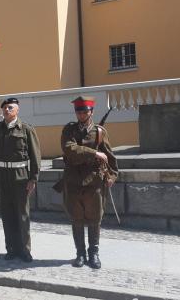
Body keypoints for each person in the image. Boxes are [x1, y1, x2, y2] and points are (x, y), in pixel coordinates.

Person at [61, 96, 118, 269]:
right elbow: (70, 149)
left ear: (91, 112)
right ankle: (80, 253)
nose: (81, 114)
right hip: (73, 180)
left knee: (94, 219)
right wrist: (94, 153)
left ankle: (94, 253)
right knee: (76, 219)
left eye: (84, 111)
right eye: (78, 111)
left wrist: (112, 176)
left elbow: (109, 156)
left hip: (94, 182)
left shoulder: (100, 132)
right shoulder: (69, 130)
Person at [0, 98, 41, 262]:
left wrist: (33, 178)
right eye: (4, 108)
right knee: (7, 214)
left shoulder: (26, 129)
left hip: (20, 176)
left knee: (22, 215)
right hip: (3, 176)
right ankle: (11, 249)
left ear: (17, 110)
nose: (6, 110)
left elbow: (36, 156)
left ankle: (24, 250)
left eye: (10, 107)